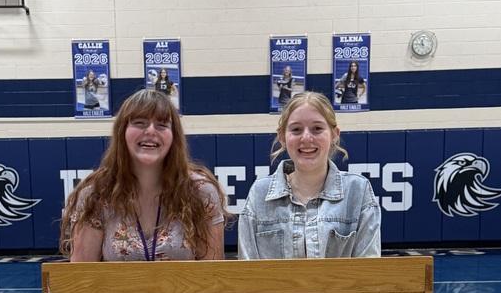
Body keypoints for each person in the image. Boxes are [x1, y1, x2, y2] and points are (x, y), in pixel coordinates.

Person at [60, 89, 228, 261]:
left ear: (174, 137)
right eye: (140, 123)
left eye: (161, 125)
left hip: (184, 289)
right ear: (122, 132)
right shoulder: (94, 195)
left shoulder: (200, 192)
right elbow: (82, 280)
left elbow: (212, 278)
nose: (150, 131)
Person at [238, 91, 380, 259]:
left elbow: (369, 274)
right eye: (296, 129)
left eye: (317, 128)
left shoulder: (358, 191)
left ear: (334, 135)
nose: (306, 137)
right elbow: (248, 274)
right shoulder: (259, 193)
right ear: (282, 137)